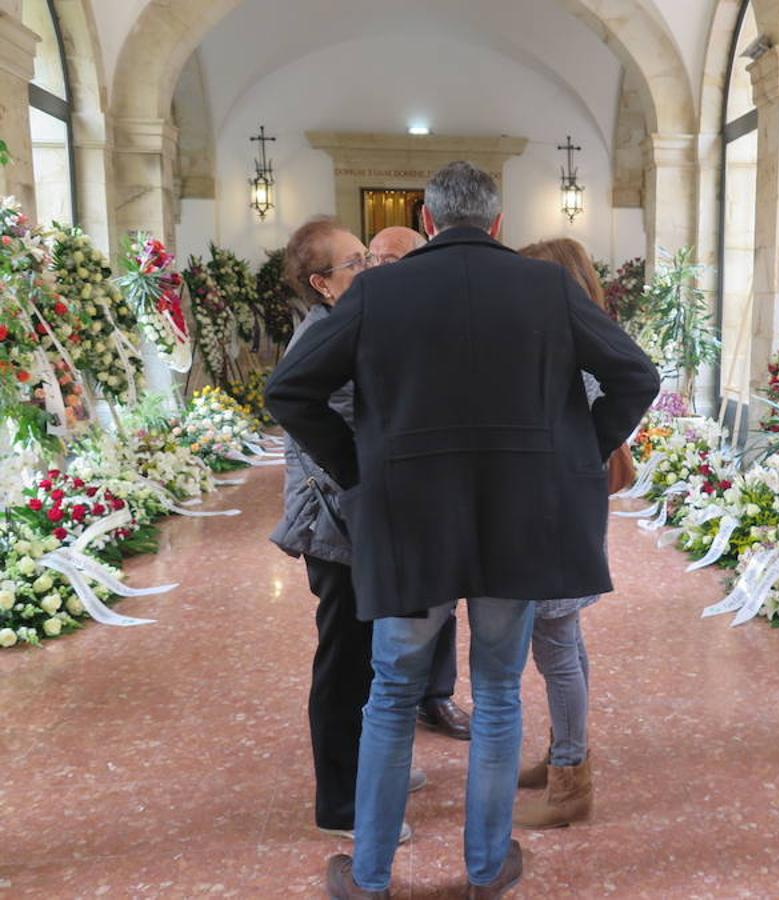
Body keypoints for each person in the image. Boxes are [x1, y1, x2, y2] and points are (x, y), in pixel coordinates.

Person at [265, 161, 659, 899]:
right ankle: (484, 869)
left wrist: (358, 468)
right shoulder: (546, 288)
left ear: (428, 222)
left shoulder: (378, 291)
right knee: (502, 692)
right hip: (519, 523)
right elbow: (635, 375)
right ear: (499, 222)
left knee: (389, 694)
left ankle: (372, 875)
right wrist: (579, 451)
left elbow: (289, 389)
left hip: (410, 523)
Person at [269, 217, 425, 845]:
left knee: (369, 655)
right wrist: (368, 477)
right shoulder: (322, 334)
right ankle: (341, 803)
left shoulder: (345, 323)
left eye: (368, 259)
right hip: (336, 525)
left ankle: (369, 769)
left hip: (356, 520)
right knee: (344, 663)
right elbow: (328, 425)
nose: (369, 271)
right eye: (355, 264)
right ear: (322, 284)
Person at [510, 237, 612, 830]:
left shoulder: (575, 344)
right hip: (558, 505)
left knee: (554, 639)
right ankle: (562, 754)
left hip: (558, 508)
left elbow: (590, 418)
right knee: (563, 639)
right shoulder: (562, 338)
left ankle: (572, 777)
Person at [367, 225, 472, 742]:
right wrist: (356, 464)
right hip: (378, 488)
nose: (385, 269)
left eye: (396, 259)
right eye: (376, 259)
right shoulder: (361, 311)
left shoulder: (442, 313)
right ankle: (391, 701)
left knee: (443, 599)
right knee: (384, 615)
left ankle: (437, 695)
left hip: (437, 485)